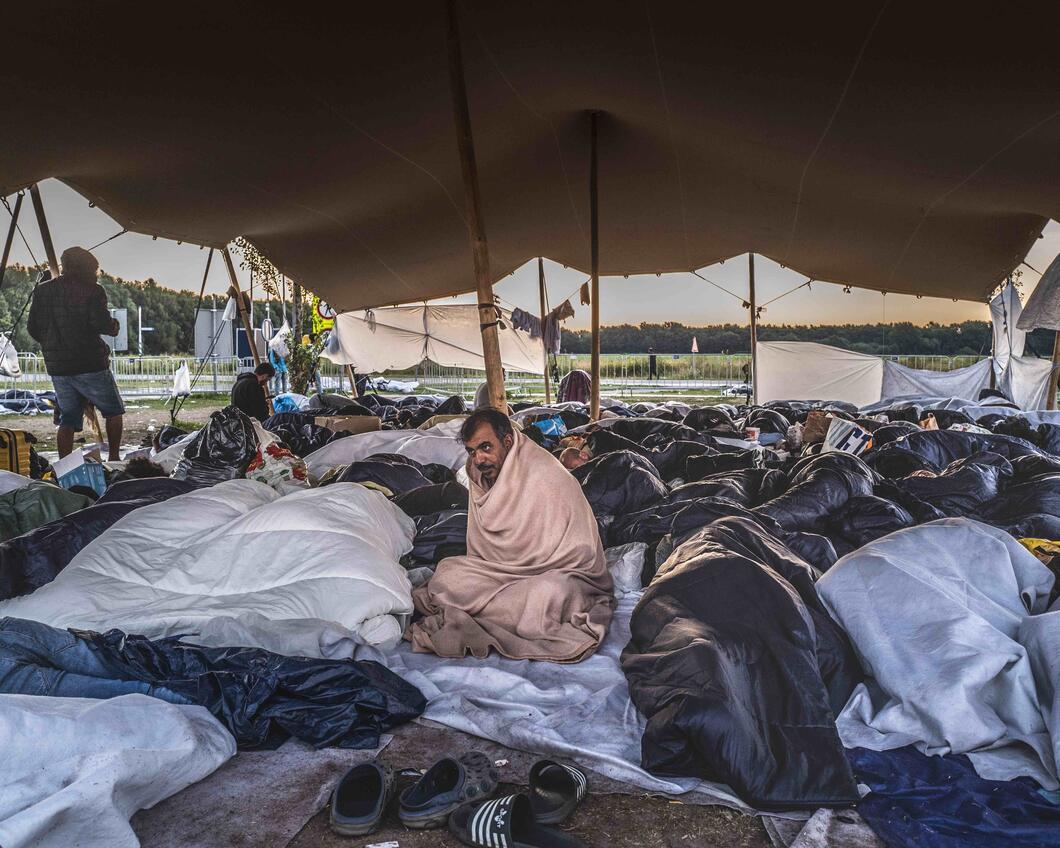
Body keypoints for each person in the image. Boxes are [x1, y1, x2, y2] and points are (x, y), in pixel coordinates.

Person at [409, 409, 613, 662]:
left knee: (549, 594)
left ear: (507, 441)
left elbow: (577, 552)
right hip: (499, 570)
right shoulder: (479, 474)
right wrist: (505, 570)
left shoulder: (544, 473)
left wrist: (521, 569)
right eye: (472, 451)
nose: (479, 459)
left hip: (554, 572)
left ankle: (499, 604)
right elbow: (485, 547)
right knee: (447, 574)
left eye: (486, 447)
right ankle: (503, 604)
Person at [27, 246, 125, 460]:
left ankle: (65, 464)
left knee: (67, 419)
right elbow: (100, 323)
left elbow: (33, 328)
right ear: (88, 268)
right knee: (113, 411)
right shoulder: (92, 290)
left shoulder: (42, 291)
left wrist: (52, 344)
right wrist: (114, 326)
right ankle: (115, 458)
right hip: (90, 364)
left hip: (58, 367)